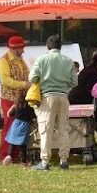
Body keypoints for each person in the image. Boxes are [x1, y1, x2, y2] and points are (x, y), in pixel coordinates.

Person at [29, 34, 78, 170]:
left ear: (47, 46)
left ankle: (45, 162)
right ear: (60, 47)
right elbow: (74, 82)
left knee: (46, 130)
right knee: (63, 129)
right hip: (63, 97)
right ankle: (64, 160)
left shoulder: (41, 59)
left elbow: (32, 78)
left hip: (47, 97)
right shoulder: (68, 61)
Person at [0, 36, 31, 164]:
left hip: (21, 99)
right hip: (9, 99)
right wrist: (24, 85)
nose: (23, 50)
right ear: (15, 48)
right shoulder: (4, 61)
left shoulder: (20, 60)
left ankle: (15, 154)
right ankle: (5, 154)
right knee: (9, 125)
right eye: (21, 48)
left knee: (19, 126)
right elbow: (5, 80)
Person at [2, 100, 35, 164]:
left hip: (16, 125)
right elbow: (33, 118)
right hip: (25, 126)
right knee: (23, 145)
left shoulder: (16, 107)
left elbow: (9, 114)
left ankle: (9, 156)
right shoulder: (30, 109)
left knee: (12, 142)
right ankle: (23, 161)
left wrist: (12, 107)